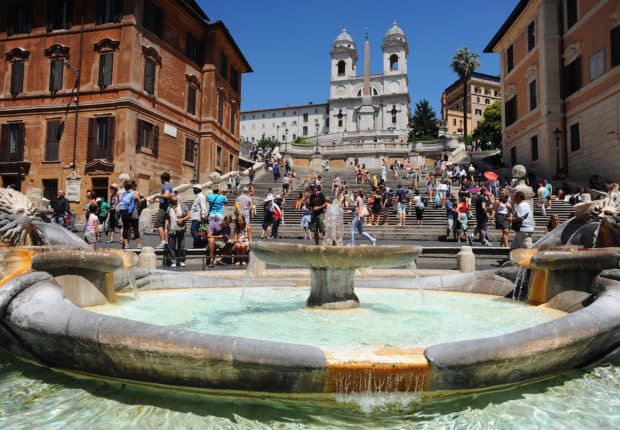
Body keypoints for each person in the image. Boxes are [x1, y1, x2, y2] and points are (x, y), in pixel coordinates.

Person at [167, 192, 190, 268]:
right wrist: (165, 228)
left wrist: (182, 219)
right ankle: (173, 260)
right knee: (171, 245)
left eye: (174, 195)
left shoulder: (182, 205)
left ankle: (180, 260)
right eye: (172, 196)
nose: (174, 197)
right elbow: (167, 218)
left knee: (181, 244)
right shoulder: (169, 207)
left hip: (180, 226)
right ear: (170, 199)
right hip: (172, 227)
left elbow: (188, 215)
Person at [118, 180, 142, 249]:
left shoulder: (123, 194)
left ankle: (126, 245)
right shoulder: (135, 193)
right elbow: (139, 203)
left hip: (124, 213)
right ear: (132, 186)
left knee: (125, 228)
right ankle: (138, 245)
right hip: (133, 213)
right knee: (135, 228)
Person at [154, 172, 173, 248]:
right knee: (166, 227)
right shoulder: (169, 186)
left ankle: (163, 242)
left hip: (163, 208)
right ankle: (166, 242)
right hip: (167, 207)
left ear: (163, 179)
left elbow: (166, 195)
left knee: (158, 224)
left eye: (161, 179)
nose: (160, 180)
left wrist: (157, 195)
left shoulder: (166, 186)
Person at [189, 184, 208, 248]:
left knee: (193, 230)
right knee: (196, 231)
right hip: (195, 217)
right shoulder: (198, 196)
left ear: (198, 189)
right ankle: (197, 244)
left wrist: (203, 215)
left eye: (194, 189)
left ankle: (199, 242)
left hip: (197, 217)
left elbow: (203, 207)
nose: (193, 190)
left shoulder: (201, 197)